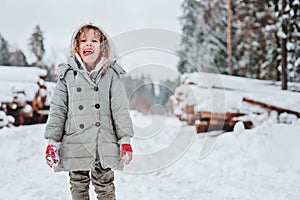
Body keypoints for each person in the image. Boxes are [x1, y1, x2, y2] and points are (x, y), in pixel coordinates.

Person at [44, 23, 134, 200]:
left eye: (94, 40)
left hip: (103, 141)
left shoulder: (111, 74)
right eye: (83, 40)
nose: (89, 44)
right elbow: (58, 109)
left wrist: (125, 139)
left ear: (103, 46)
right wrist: (52, 141)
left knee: (105, 186)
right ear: (76, 46)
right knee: (78, 186)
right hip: (75, 140)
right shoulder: (67, 75)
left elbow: (120, 109)